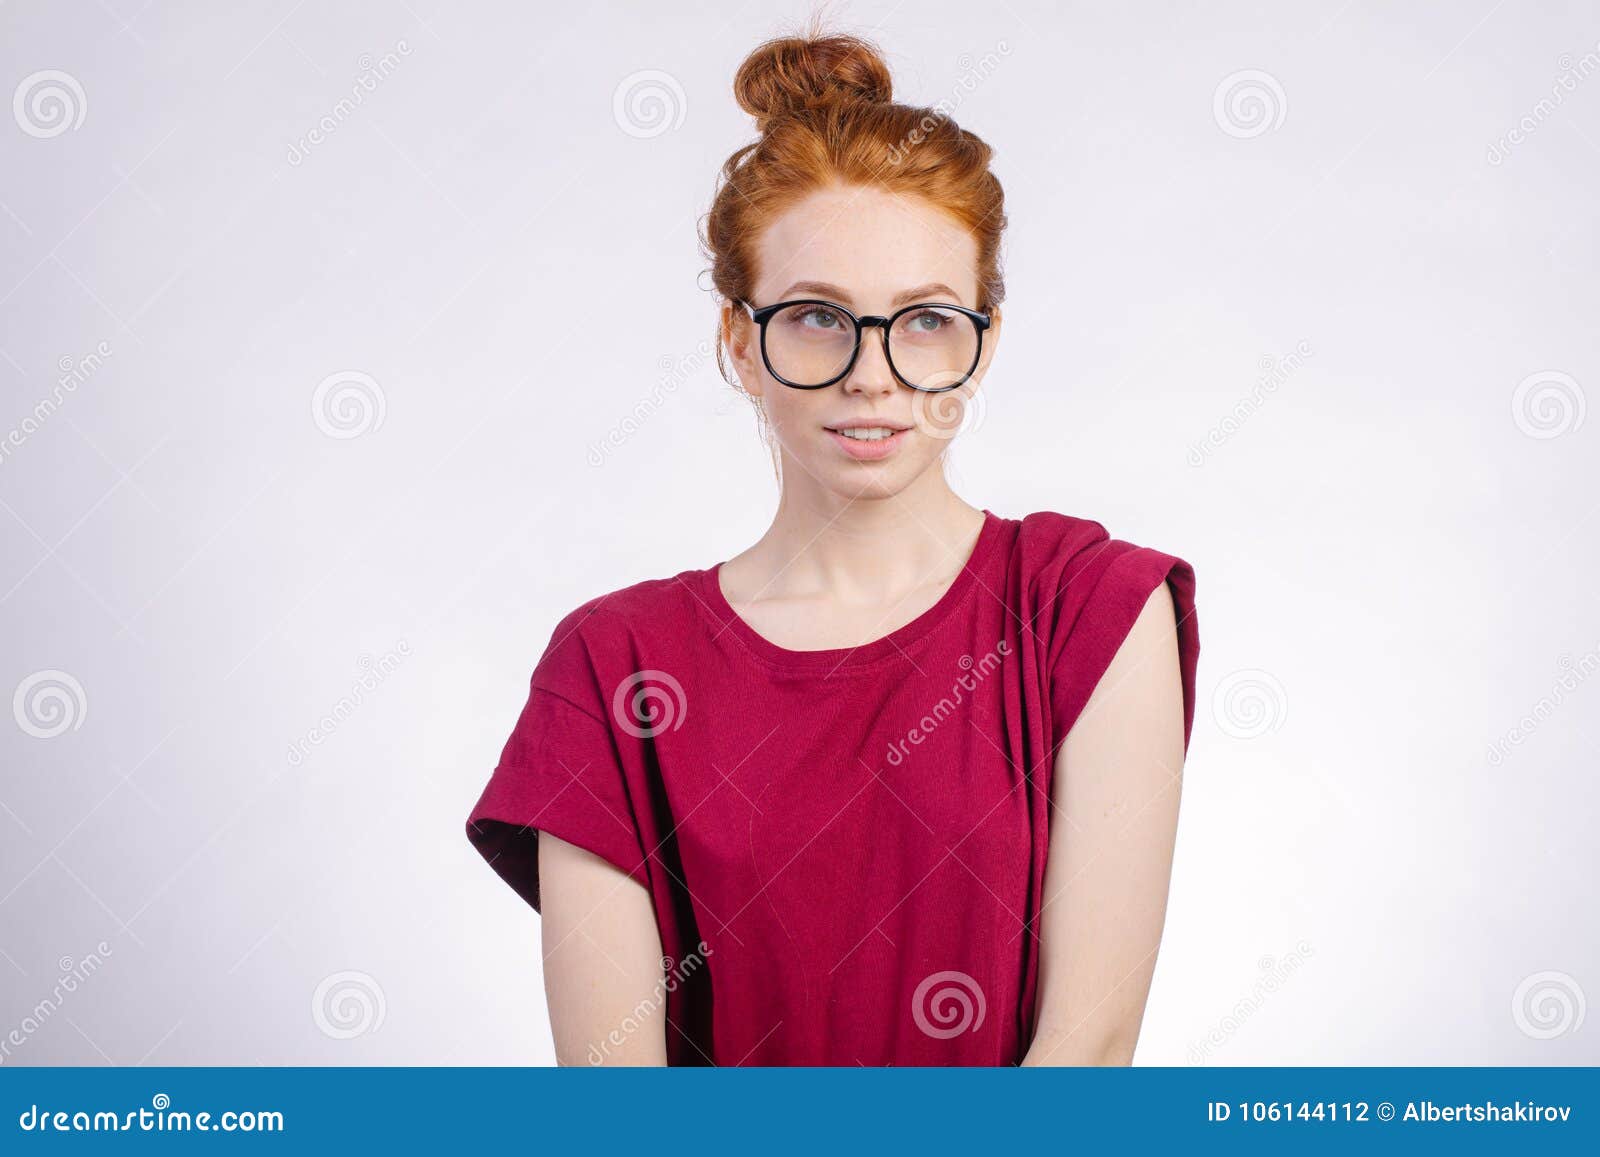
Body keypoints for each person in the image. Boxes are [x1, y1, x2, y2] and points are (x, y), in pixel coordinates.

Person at [467, 30, 1200, 1066]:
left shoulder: (1088, 609)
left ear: (980, 340)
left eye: (924, 319)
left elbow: (1088, 1049)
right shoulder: (612, 664)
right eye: (817, 317)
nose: (873, 374)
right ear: (738, 339)